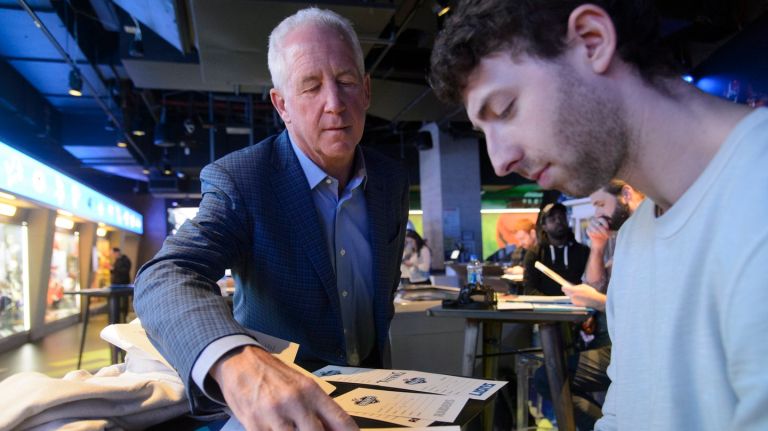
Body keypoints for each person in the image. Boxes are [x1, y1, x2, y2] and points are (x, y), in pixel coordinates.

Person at [429, 1, 768, 429]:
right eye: (484, 132)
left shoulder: (756, 199)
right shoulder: (635, 240)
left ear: (592, 41)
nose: (499, 161)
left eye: (505, 109)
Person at [133, 7, 409, 429]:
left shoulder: (391, 180)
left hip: (377, 396)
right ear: (282, 104)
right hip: (280, 410)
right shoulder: (242, 179)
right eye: (311, 87)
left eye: (347, 82)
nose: (335, 104)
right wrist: (233, 356)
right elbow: (166, 274)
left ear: (367, 90)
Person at [534, 180, 644, 430]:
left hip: (634, 347)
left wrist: (598, 302)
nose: (597, 213)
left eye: (601, 204)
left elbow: (644, 309)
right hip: (615, 343)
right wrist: (596, 246)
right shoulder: (624, 234)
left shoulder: (647, 234)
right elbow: (596, 285)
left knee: (549, 376)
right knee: (548, 376)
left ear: (627, 193)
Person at [523, 203, 589, 296]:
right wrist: (549, 305)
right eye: (552, 219)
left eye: (562, 217)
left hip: (577, 306)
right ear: (544, 226)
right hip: (545, 308)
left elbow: (591, 284)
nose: (558, 221)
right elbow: (529, 289)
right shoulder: (535, 254)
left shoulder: (583, 252)